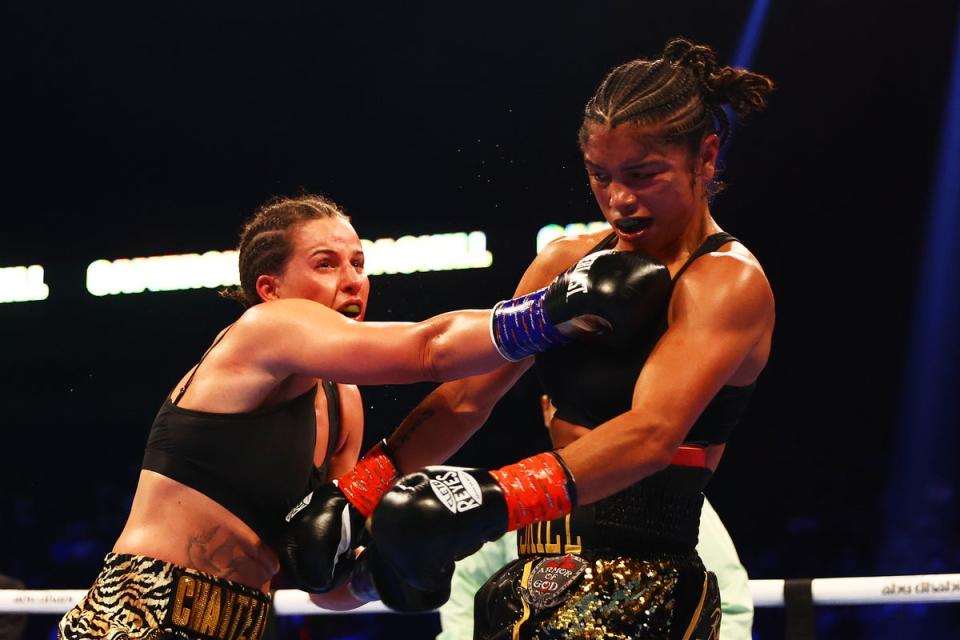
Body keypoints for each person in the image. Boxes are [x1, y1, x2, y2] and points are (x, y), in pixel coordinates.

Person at [57, 194, 662, 640]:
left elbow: (327, 583)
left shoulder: (342, 399)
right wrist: (551, 311)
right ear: (270, 288)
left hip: (246, 625)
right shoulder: (261, 332)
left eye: (358, 263)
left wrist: (392, 571)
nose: (352, 281)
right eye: (325, 264)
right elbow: (431, 348)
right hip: (140, 611)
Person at [360, 37, 775, 640]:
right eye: (599, 176)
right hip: (533, 568)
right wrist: (365, 489)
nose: (618, 199)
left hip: (646, 583)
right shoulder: (563, 263)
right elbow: (467, 397)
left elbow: (652, 433)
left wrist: (495, 496)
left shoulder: (726, 281)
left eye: (643, 175)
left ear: (706, 158)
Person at [435, 397, 754, 640]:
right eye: (572, 406)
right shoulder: (522, 488)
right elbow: (466, 586)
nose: (587, 424)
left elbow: (731, 601)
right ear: (547, 409)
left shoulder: (665, 496)